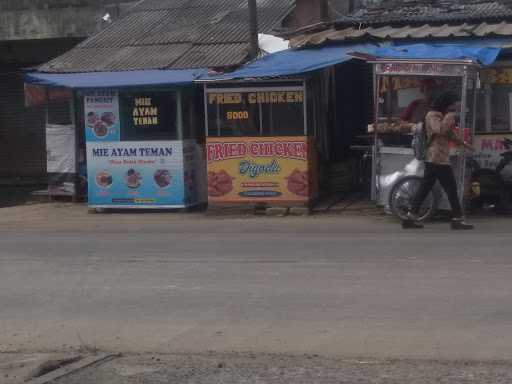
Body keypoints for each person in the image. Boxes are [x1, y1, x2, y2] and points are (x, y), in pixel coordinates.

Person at [402, 91, 474, 230]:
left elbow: (449, 134)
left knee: (425, 187)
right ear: (446, 104)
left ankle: (410, 217)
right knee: (451, 188)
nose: (454, 107)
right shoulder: (432, 115)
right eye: (452, 104)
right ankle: (457, 219)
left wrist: (464, 144)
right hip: (437, 158)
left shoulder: (440, 116)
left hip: (437, 158)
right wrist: (450, 115)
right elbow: (440, 130)